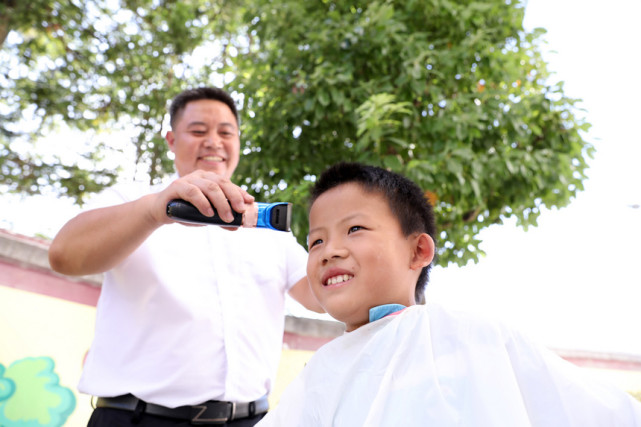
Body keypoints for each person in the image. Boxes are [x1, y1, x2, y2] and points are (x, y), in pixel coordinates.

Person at [257, 162, 641, 426]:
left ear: (419, 251)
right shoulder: (320, 371)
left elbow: (600, 411)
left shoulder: (470, 335)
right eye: (316, 240)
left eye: (354, 229)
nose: (330, 250)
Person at [48, 87, 322, 426]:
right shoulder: (132, 199)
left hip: (252, 419)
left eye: (226, 132)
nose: (213, 141)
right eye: (198, 131)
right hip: (138, 418)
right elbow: (64, 256)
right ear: (171, 141)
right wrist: (154, 210)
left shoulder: (264, 222)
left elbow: (319, 295)